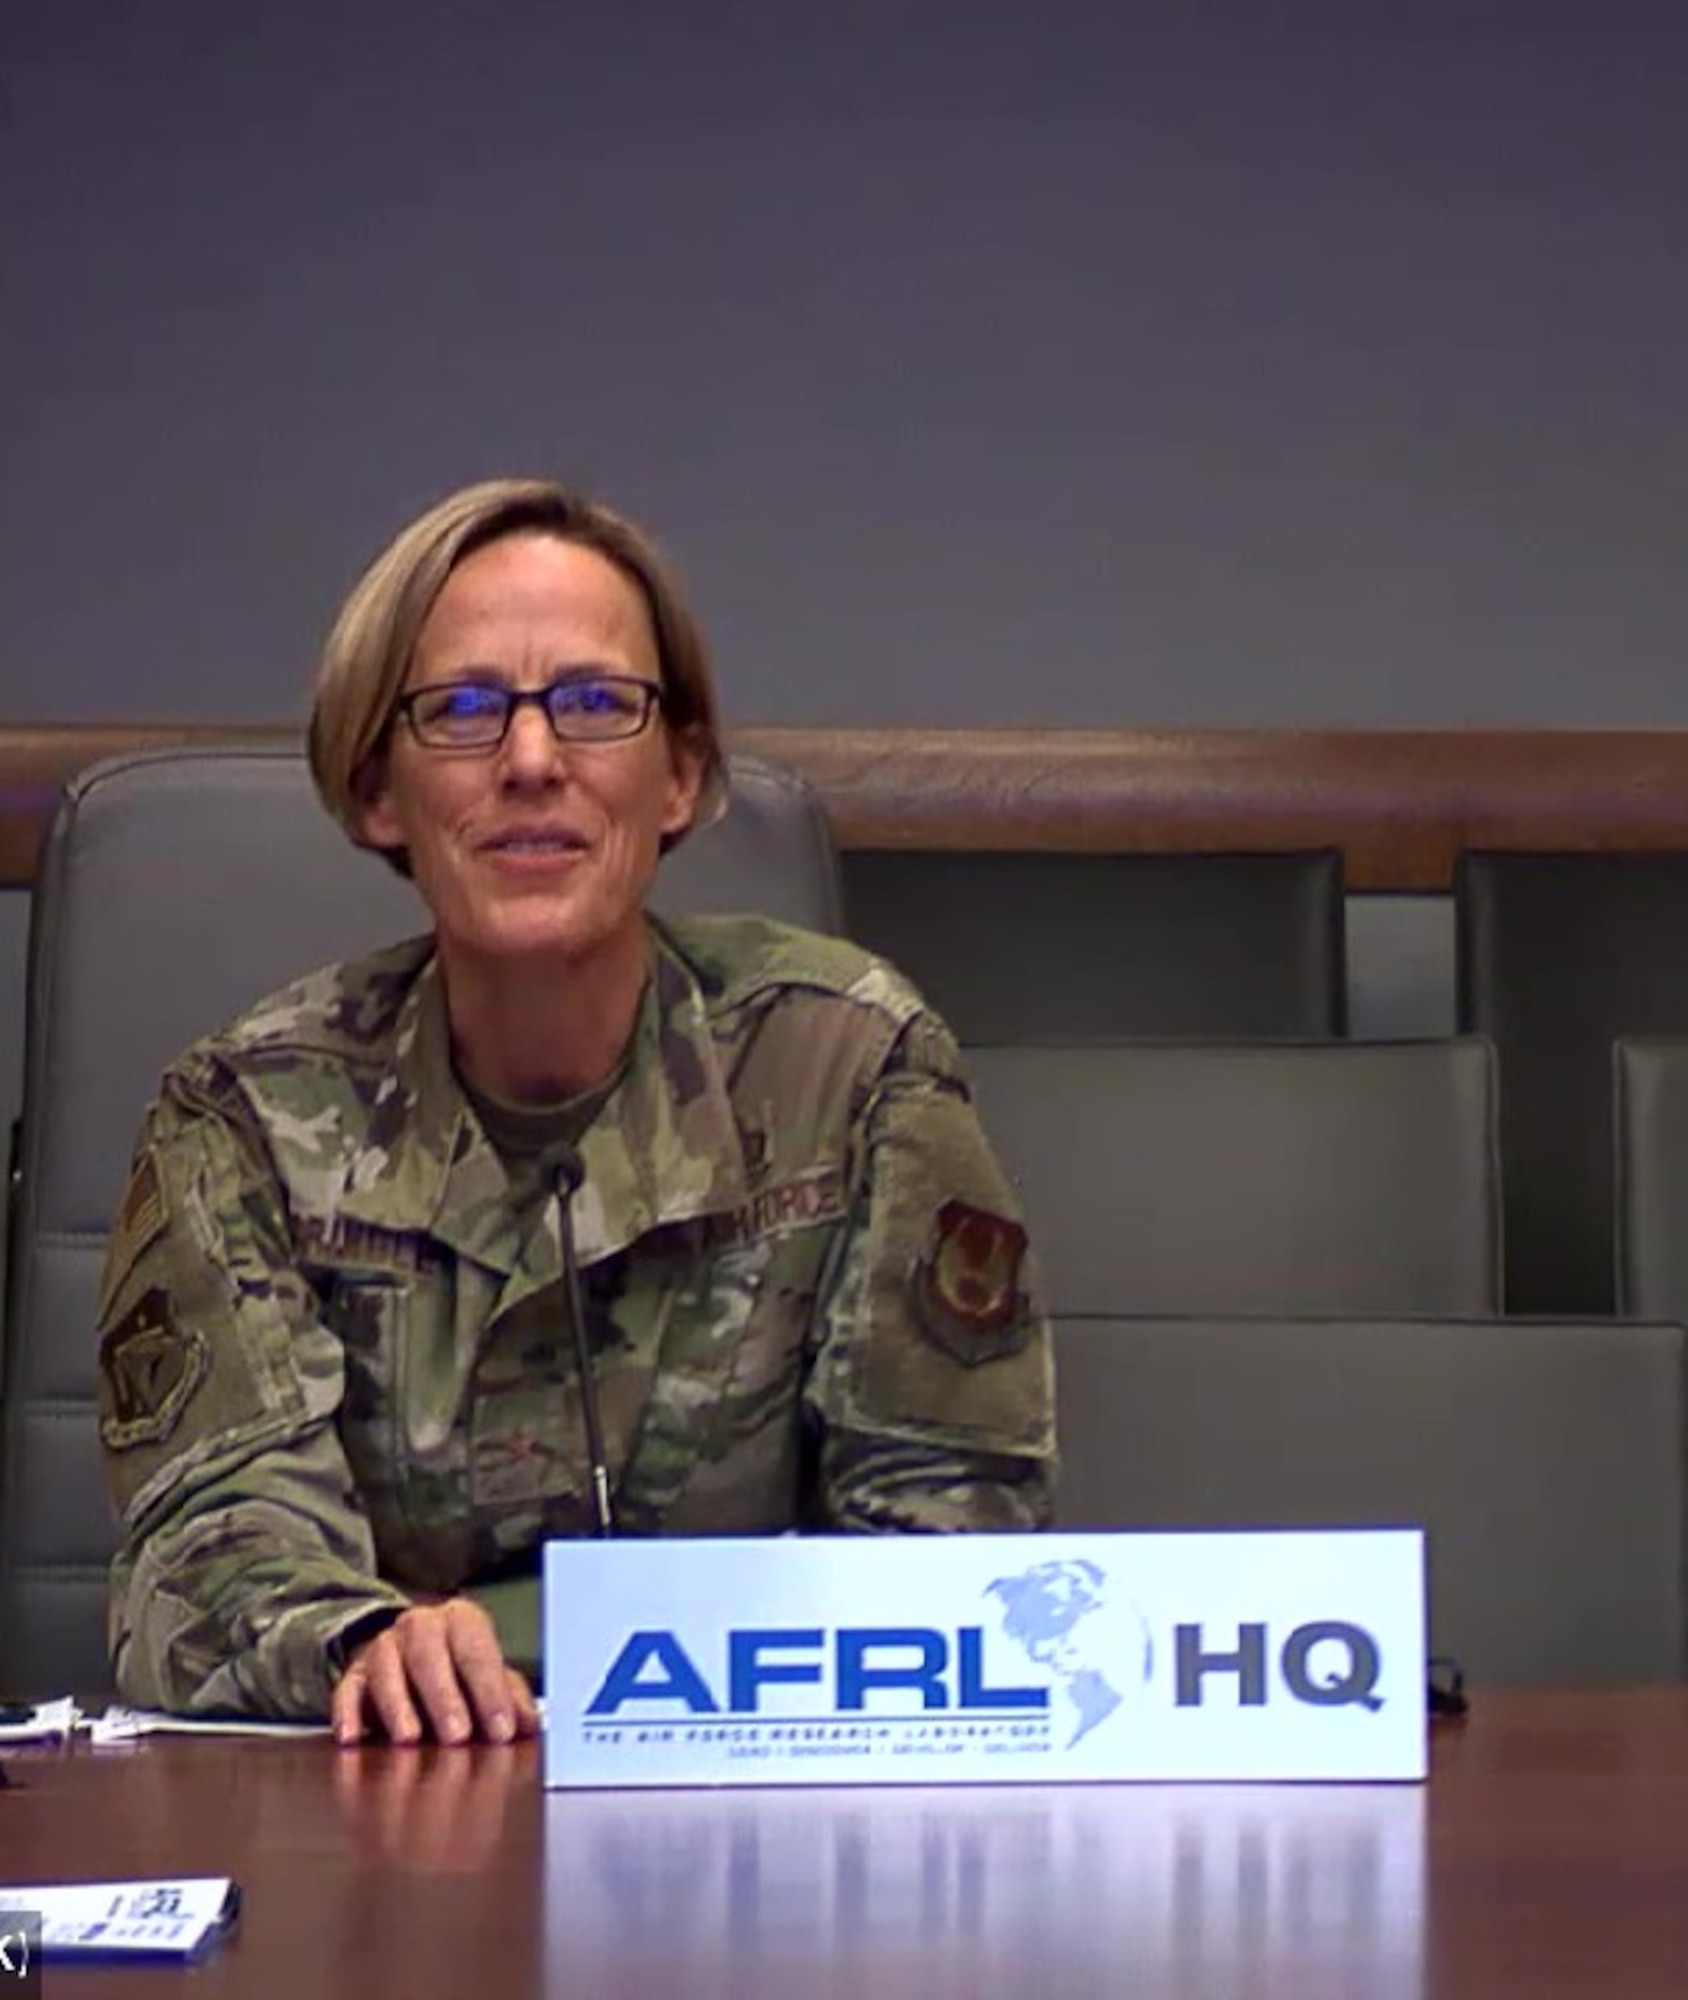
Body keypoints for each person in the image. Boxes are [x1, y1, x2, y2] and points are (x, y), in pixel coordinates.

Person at [96, 477, 1057, 1747]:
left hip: (761, 1809)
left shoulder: (850, 1066)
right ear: (378, 787)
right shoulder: (248, 1116)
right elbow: (204, 1540)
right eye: (464, 710)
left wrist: (566, 1649)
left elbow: (954, 1536)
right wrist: (365, 1640)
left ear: (681, 775)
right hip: (386, 1810)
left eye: (598, 703)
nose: (534, 760)